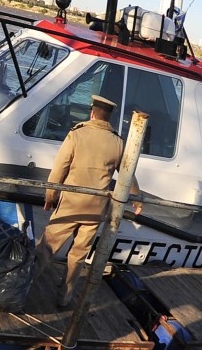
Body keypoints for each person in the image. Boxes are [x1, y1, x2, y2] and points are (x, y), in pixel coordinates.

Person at [36, 95, 142, 308]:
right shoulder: (117, 142)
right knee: (78, 255)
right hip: (95, 209)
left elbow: (59, 169)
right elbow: (127, 173)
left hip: (71, 205)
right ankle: (65, 297)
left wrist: (50, 196)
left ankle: (24, 284)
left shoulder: (77, 134)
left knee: (47, 248)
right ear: (108, 117)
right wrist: (137, 198)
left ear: (92, 113)